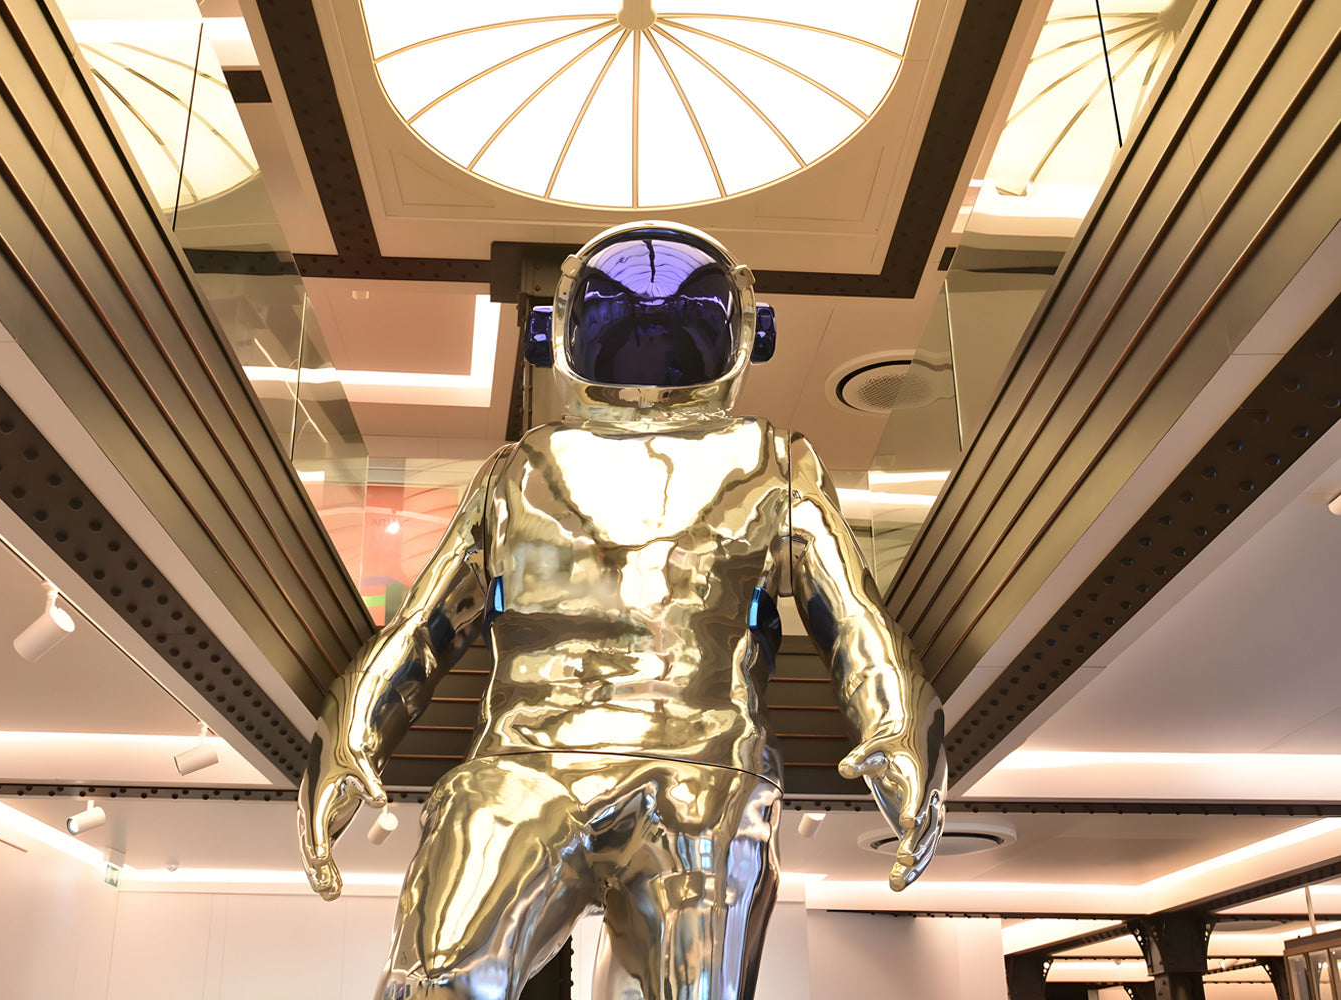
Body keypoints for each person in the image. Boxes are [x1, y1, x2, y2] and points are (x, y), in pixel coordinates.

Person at [298, 222, 946, 1000]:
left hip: (693, 774)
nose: (650, 316)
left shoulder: (774, 461)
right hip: (534, 769)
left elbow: (851, 618)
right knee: (437, 981)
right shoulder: (520, 470)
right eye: (623, 306)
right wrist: (353, 730)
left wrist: (898, 729)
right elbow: (424, 624)